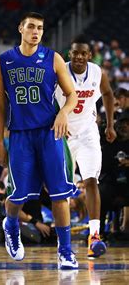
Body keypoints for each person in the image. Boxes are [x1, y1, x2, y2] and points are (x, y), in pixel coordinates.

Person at [0, 12, 79, 269]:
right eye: (31, 26)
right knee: (17, 195)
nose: (36, 31)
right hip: (19, 135)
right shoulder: (4, 61)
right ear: (20, 28)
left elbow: (71, 95)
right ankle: (10, 224)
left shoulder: (53, 58)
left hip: (49, 132)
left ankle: (65, 251)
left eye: (40, 28)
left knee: (60, 194)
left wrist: (63, 112)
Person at [55, 35, 116, 258]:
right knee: (62, 188)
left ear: (89, 55)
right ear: (69, 54)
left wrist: (109, 125)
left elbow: (108, 94)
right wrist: (56, 120)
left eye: (83, 53)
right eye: (75, 53)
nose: (79, 56)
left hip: (88, 133)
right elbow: (48, 100)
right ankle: (64, 240)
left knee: (91, 181)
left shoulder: (97, 71)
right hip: (64, 135)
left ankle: (95, 235)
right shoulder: (59, 71)